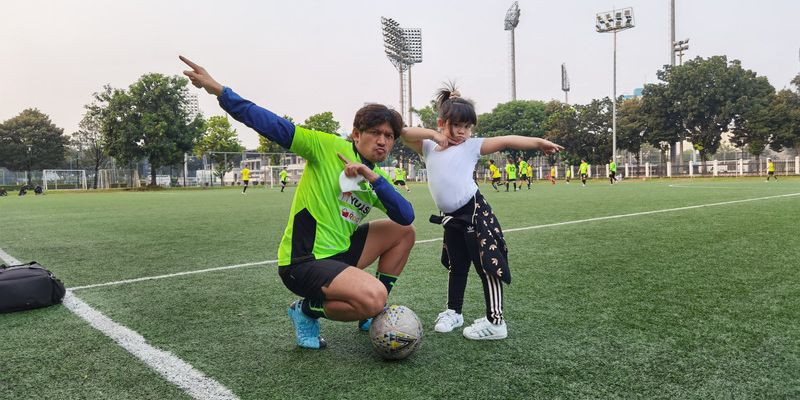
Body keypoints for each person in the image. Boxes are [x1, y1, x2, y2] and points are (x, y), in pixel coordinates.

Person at [181, 55, 416, 349]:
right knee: (374, 297)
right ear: (356, 134)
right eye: (375, 133)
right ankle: (305, 310)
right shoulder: (325, 146)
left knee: (404, 233)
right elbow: (272, 125)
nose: (383, 140)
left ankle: (370, 315)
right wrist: (220, 91)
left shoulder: (376, 176)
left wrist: (374, 179)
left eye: (389, 136)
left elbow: (406, 216)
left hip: (341, 255)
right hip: (303, 262)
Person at [401, 86, 563, 340]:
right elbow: (402, 131)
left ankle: (496, 322)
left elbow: (508, 139)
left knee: (487, 265)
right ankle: (454, 312)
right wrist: (435, 135)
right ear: (443, 123)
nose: (465, 132)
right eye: (459, 126)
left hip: (474, 213)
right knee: (457, 265)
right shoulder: (429, 147)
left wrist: (539, 143)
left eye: (468, 126)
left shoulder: (471, 146)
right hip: (451, 218)